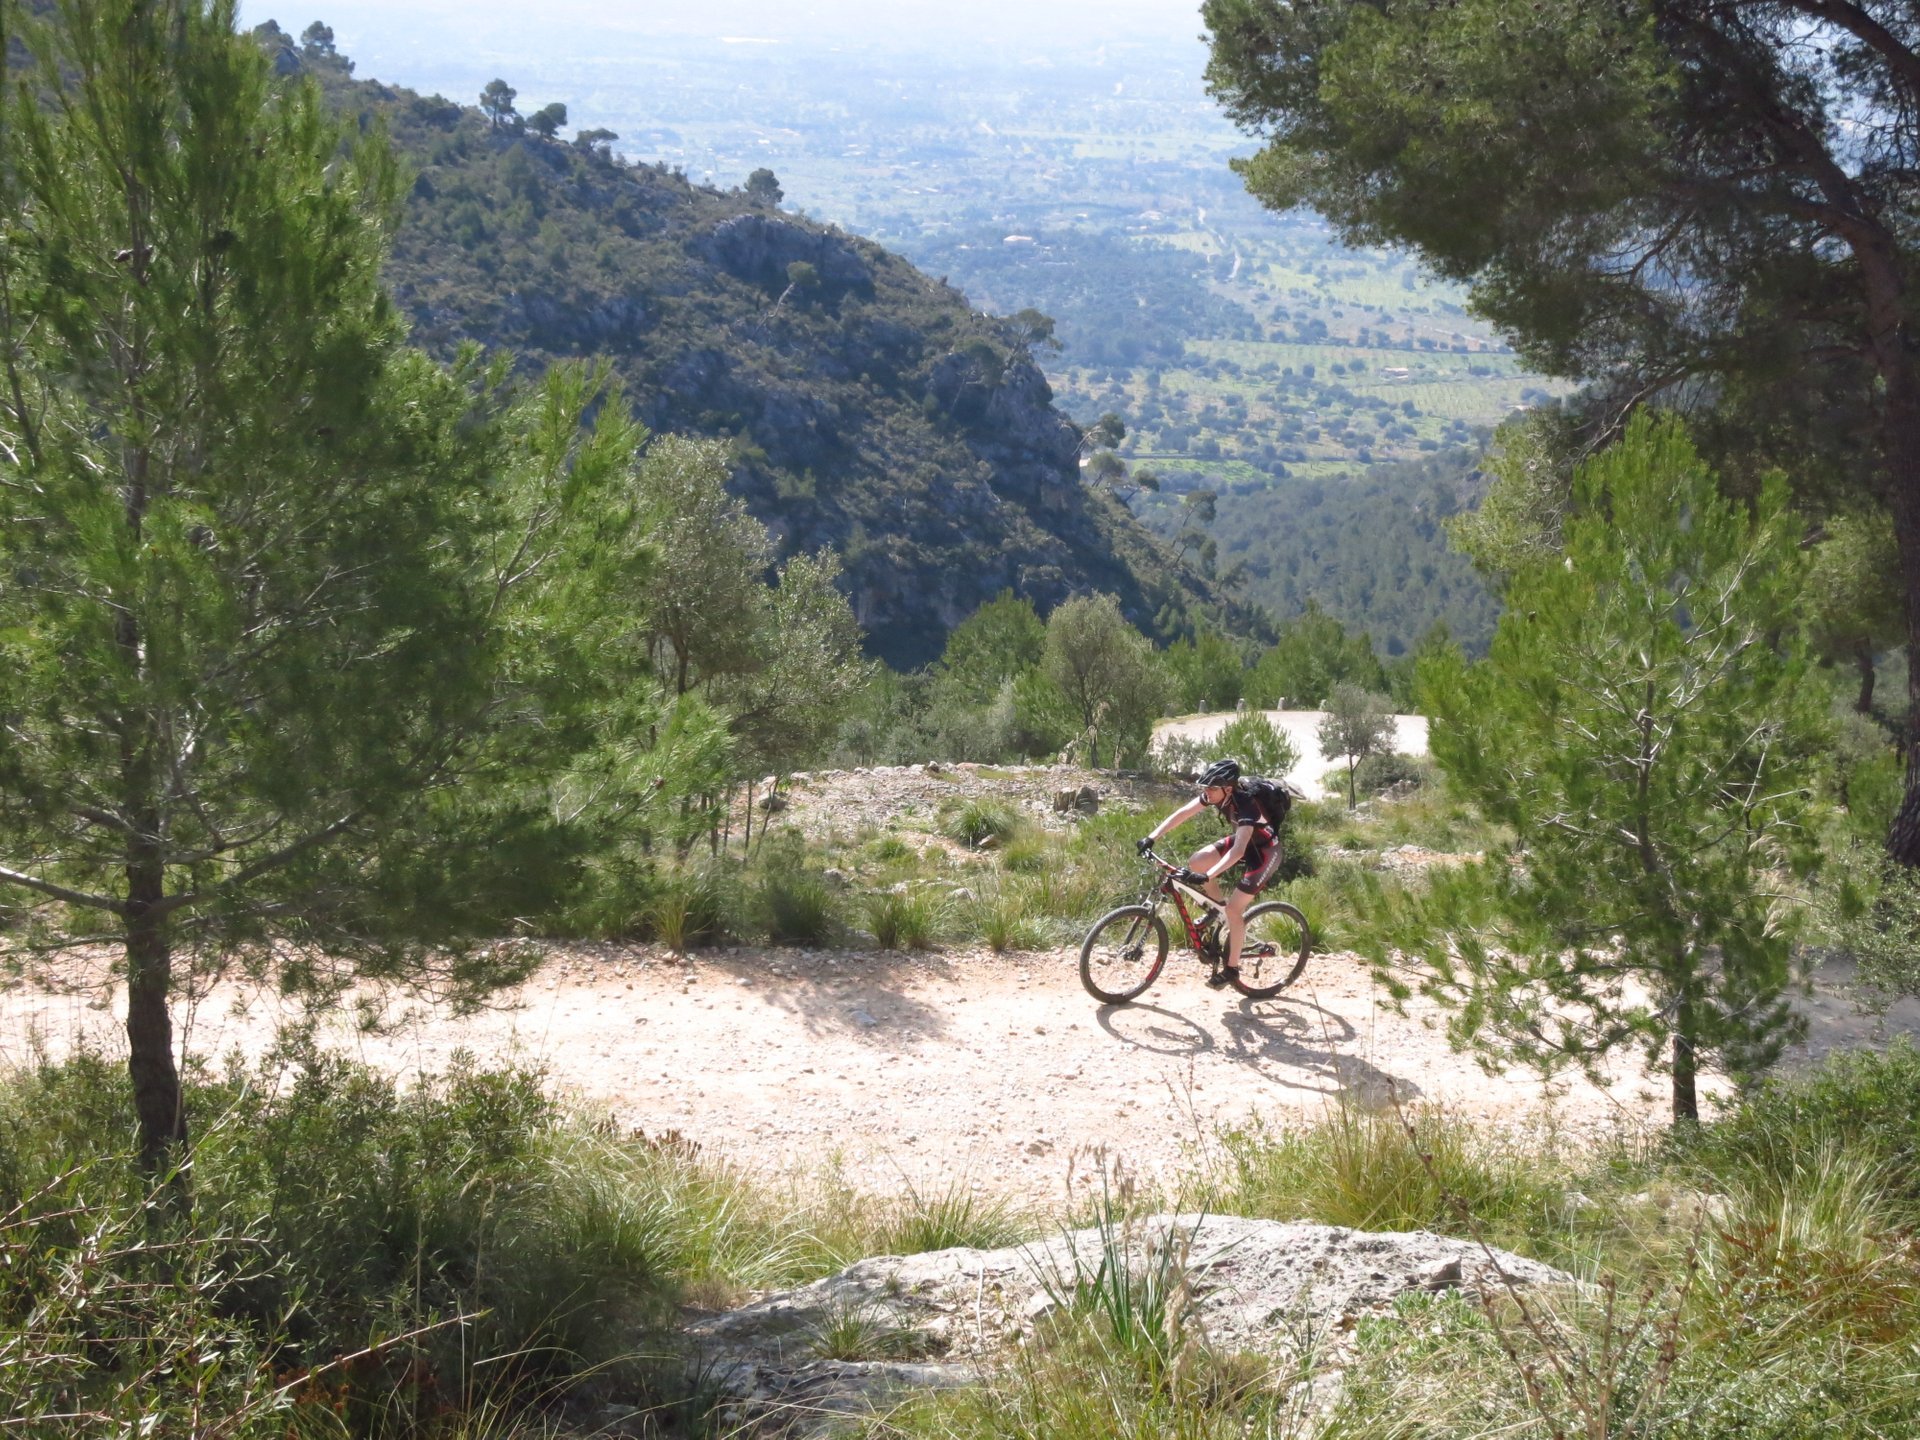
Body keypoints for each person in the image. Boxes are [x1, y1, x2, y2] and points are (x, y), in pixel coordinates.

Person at [1137, 758, 1283, 987]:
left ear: (1228, 788)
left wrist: (1209, 876)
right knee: (1197, 861)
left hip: (1265, 852)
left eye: (1212, 788)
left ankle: (1232, 969)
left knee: (1235, 910)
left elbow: (1237, 852)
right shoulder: (1217, 794)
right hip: (1244, 843)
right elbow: (1183, 813)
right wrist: (1152, 836)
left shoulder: (1247, 805)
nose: (1207, 792)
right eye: (1205, 787)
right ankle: (1216, 908)